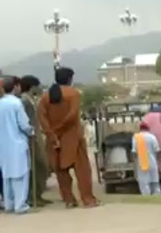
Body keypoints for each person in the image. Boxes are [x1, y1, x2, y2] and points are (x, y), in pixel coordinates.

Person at [38, 67, 99, 209]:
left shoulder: (45, 96)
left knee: (61, 172)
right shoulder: (73, 94)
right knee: (83, 170)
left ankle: (69, 200)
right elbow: (72, 116)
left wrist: (52, 133)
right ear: (69, 79)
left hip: (54, 140)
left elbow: (42, 118)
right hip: (72, 137)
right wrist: (59, 129)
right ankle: (88, 199)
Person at [0, 77, 34, 214]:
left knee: (7, 174)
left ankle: (9, 203)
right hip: (17, 142)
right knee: (20, 174)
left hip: (3, 144)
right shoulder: (16, 103)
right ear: (15, 87)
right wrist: (31, 131)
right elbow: (24, 124)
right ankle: (20, 205)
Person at [18, 75, 51, 207]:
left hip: (37, 134)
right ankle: (33, 196)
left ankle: (38, 194)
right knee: (38, 165)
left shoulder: (30, 99)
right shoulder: (24, 101)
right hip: (32, 137)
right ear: (32, 86)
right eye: (37, 85)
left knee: (42, 166)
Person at [132, 122, 161, 196]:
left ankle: (146, 196)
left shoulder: (136, 137)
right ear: (148, 129)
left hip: (142, 162)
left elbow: (134, 152)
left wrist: (134, 162)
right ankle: (157, 195)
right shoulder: (152, 137)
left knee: (144, 182)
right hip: (152, 162)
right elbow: (157, 150)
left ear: (140, 129)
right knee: (154, 181)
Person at [142, 110, 161, 175]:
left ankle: (153, 171)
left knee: (152, 155)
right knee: (160, 155)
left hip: (150, 137)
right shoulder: (158, 114)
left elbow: (142, 127)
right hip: (160, 137)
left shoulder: (145, 117)